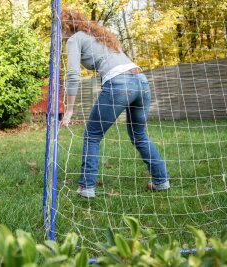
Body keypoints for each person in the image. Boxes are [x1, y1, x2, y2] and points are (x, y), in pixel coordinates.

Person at [60, 9, 170, 198]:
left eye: (57, 27)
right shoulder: (99, 36)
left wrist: (69, 110)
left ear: (65, 25)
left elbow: (72, 75)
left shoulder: (74, 39)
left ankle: (86, 188)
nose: (56, 32)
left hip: (119, 84)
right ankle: (161, 181)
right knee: (139, 135)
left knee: (92, 135)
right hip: (141, 81)